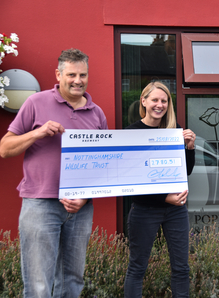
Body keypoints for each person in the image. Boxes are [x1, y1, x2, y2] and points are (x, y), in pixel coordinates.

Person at [0, 48, 108, 297]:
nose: (77, 80)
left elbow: (102, 165)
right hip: (40, 204)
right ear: (58, 74)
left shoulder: (97, 113)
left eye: (83, 75)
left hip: (80, 208)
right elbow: (5, 148)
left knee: (72, 281)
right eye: (71, 74)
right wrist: (37, 132)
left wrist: (85, 197)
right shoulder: (35, 103)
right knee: (39, 284)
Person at [124, 81, 195, 298]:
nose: (160, 105)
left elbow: (186, 171)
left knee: (181, 268)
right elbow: (131, 179)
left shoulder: (175, 131)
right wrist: (166, 197)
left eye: (164, 101)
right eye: (155, 100)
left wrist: (189, 148)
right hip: (144, 210)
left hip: (176, 211)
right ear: (143, 101)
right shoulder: (132, 133)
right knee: (137, 268)